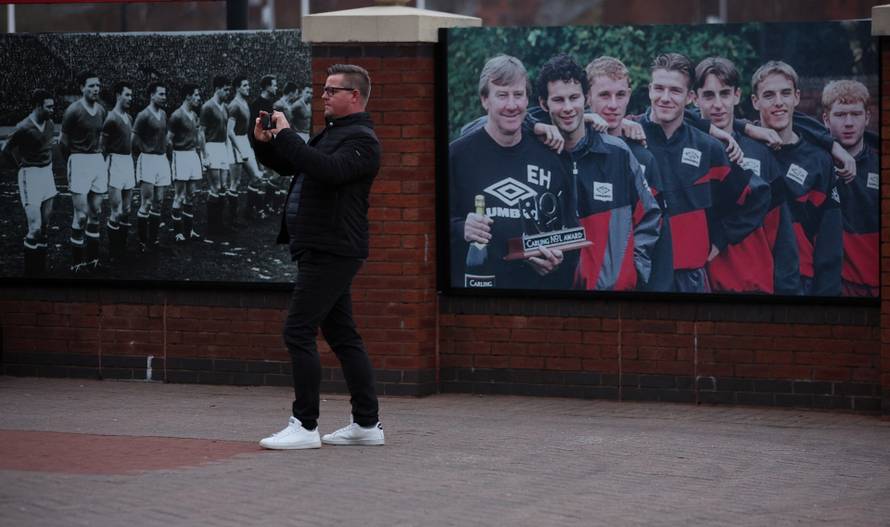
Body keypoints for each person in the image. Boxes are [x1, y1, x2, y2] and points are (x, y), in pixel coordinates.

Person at [252, 64, 384, 450]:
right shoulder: (334, 134)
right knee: (343, 335)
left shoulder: (363, 141)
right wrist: (265, 141)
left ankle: (305, 426)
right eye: (323, 89)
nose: (323, 95)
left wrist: (289, 134)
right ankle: (366, 424)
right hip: (321, 247)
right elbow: (294, 164)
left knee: (298, 331)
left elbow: (327, 171)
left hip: (333, 248)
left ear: (354, 96)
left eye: (332, 90)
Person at [450, 55, 576, 290]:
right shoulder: (457, 156)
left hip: (536, 298)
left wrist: (557, 257)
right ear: (484, 100)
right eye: (502, 95)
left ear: (527, 99)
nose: (512, 104)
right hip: (475, 295)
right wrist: (461, 228)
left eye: (518, 95)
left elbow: (569, 230)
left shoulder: (552, 155)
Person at [536, 54, 660, 290]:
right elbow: (484, 125)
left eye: (574, 97)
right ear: (543, 104)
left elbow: (649, 215)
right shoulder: (536, 151)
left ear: (585, 98)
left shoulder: (618, 152)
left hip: (613, 293)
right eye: (558, 100)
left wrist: (634, 270)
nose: (568, 107)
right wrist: (532, 123)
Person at [639, 53, 756, 293]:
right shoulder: (629, 137)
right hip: (642, 271)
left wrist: (720, 239)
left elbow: (752, 196)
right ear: (649, 89)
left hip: (689, 276)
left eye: (675, 90)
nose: (664, 98)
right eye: (658, 88)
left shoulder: (709, 147)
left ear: (690, 97)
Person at [751, 61, 842, 295]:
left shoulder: (819, 160)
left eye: (786, 93)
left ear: (797, 97)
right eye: (769, 95)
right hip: (751, 278)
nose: (779, 102)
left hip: (802, 281)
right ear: (755, 101)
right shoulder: (739, 147)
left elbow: (828, 243)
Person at [691, 57, 781, 294]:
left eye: (725, 93)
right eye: (708, 95)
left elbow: (781, 233)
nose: (718, 104)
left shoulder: (762, 151)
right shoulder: (688, 149)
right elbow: (661, 115)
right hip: (704, 283)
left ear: (737, 95)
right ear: (695, 97)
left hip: (755, 283)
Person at [584, 56, 671, 291]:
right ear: (587, 96)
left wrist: (637, 270)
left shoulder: (643, 158)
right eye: (604, 95)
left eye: (620, 95)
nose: (613, 104)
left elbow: (656, 229)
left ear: (629, 95)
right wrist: (580, 120)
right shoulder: (568, 147)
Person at [821, 80, 878, 296]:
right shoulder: (816, 161)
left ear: (868, 118)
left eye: (855, 114)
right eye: (840, 115)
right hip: (832, 285)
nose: (848, 122)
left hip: (873, 283)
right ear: (826, 119)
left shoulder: (879, 164)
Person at [2, 89, 57, 275]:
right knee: (34, 228)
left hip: (47, 175)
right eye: (49, 107)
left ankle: (39, 272)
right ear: (37, 106)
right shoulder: (24, 126)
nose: (53, 110)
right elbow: (5, 150)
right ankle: (30, 275)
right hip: (30, 175)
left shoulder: (50, 124)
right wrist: (19, 166)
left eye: (53, 106)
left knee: (44, 227)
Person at [60, 71, 107, 271]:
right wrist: (72, 160)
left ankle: (93, 259)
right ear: (81, 88)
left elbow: (100, 136)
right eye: (91, 85)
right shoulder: (73, 110)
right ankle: (77, 261)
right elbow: (63, 141)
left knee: (95, 212)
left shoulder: (102, 110)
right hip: (79, 161)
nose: (95, 89)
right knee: (81, 215)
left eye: (97, 85)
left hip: (97, 160)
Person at [133, 81, 171, 252]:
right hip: (147, 160)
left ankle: (154, 240)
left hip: (161, 160)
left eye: (165, 94)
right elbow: (134, 139)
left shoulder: (163, 114)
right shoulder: (143, 115)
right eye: (161, 94)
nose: (164, 97)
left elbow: (165, 138)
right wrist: (145, 151)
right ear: (151, 95)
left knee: (159, 202)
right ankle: (142, 242)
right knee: (146, 203)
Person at [102, 81, 136, 260]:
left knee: (127, 209)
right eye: (127, 95)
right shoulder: (111, 118)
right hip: (114, 163)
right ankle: (114, 252)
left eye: (131, 95)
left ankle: (121, 249)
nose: (130, 98)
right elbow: (103, 147)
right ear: (117, 95)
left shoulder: (129, 118)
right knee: (116, 211)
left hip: (128, 163)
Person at [168, 83, 204, 243]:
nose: (198, 98)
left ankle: (189, 231)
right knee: (180, 196)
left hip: (192, 156)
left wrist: (201, 154)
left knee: (191, 196)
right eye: (196, 95)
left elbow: (197, 136)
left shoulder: (195, 115)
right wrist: (172, 158)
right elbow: (168, 140)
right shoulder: (176, 115)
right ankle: (177, 232)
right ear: (188, 96)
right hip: (180, 156)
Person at [199, 75, 232, 241]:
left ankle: (219, 224)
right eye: (225, 89)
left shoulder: (225, 107)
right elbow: (201, 133)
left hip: (222, 148)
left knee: (223, 187)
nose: (227, 92)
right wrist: (204, 155)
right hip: (211, 147)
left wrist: (227, 149)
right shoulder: (207, 107)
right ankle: (212, 226)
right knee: (215, 187)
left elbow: (226, 131)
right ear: (217, 88)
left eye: (229, 90)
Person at [227, 76, 262, 227]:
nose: (248, 87)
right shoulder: (234, 105)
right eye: (245, 85)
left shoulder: (245, 103)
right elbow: (229, 131)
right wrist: (240, 149)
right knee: (235, 182)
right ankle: (231, 219)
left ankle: (248, 210)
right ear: (237, 88)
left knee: (256, 177)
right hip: (235, 143)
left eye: (248, 84)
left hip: (244, 141)